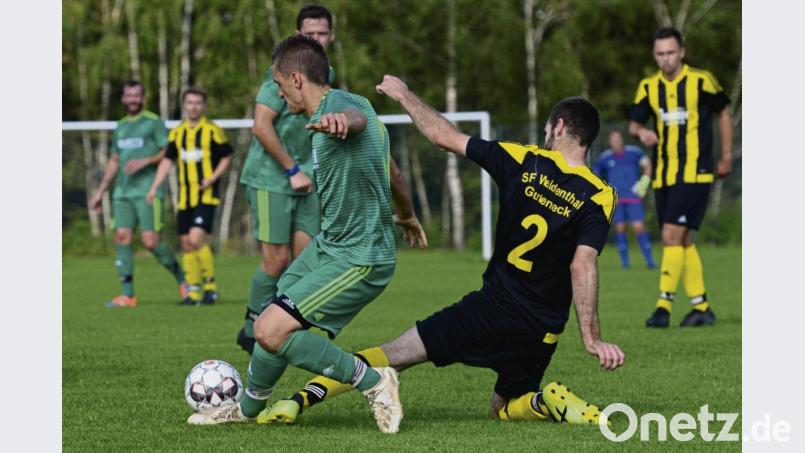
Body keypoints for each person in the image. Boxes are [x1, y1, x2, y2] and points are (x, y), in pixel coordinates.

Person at [261, 76, 626, 428]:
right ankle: (542, 402)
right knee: (504, 408)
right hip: (542, 328)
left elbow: (441, 136)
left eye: (548, 129)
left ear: (559, 127)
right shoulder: (599, 195)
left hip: (490, 309)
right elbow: (583, 264)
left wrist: (404, 95)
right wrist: (592, 339)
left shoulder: (524, 159)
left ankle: (298, 400)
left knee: (393, 355)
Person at [187, 36, 426, 433]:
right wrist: (408, 215)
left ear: (297, 79)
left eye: (280, 87)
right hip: (328, 247)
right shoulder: (352, 103)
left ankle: (373, 380)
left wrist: (340, 124)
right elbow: (394, 172)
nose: (280, 97)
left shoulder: (339, 110)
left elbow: (354, 121)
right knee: (271, 320)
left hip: (359, 257)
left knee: (270, 330)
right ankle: (246, 409)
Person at [235, 4, 337, 353]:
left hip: (308, 179)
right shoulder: (277, 73)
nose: (316, 39)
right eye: (309, 33)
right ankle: (251, 330)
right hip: (272, 179)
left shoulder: (328, 73)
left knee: (306, 259)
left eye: (322, 33)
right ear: (297, 36)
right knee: (276, 260)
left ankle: (284, 324)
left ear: (332, 36)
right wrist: (292, 170)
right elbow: (260, 126)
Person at [628, 27, 732, 328]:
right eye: (660, 54)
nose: (666, 59)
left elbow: (723, 112)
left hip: (695, 171)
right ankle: (702, 307)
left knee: (671, 236)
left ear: (682, 52)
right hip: (663, 174)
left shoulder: (702, 80)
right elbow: (634, 124)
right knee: (683, 241)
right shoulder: (648, 86)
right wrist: (642, 131)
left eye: (671, 52)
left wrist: (725, 155)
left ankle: (663, 306)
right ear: (654, 55)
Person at [89, 80, 186, 308]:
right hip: (122, 192)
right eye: (128, 95)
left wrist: (145, 161)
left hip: (148, 191)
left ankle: (182, 279)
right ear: (123, 98)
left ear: (142, 98)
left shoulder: (153, 123)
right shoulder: (121, 126)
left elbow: (167, 152)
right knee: (122, 237)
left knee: (150, 242)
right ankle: (127, 294)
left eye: (136, 95)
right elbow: (114, 160)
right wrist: (100, 191)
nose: (132, 99)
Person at [147, 88, 233, 305]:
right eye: (190, 102)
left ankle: (210, 288)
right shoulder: (177, 133)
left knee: (196, 239)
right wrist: (154, 186)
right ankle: (193, 292)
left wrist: (212, 178)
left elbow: (226, 156)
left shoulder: (212, 130)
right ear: (185, 105)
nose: (194, 106)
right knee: (186, 244)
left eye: (198, 103)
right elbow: (167, 160)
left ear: (203, 106)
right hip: (185, 198)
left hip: (206, 195)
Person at [594, 130, 656, 269]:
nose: (616, 141)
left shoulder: (634, 152)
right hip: (617, 198)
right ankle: (625, 263)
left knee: (639, 227)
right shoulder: (605, 157)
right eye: (613, 139)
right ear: (610, 142)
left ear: (622, 139)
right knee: (620, 228)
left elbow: (647, 165)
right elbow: (595, 175)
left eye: (618, 138)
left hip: (633, 196)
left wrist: (644, 182)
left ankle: (650, 261)